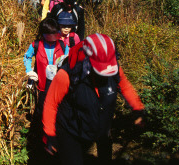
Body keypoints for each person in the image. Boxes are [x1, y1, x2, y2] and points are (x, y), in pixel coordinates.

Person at [43, 34, 145, 165]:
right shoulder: (67, 75)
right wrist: (50, 134)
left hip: (99, 126)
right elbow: (51, 104)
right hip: (71, 130)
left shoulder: (113, 69)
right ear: (88, 60)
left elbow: (125, 87)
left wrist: (137, 109)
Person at [24, 18, 68, 132]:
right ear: (44, 34)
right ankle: (40, 132)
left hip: (59, 85)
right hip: (43, 85)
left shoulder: (63, 45)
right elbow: (27, 57)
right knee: (42, 108)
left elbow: (69, 60)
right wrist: (29, 71)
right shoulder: (36, 45)